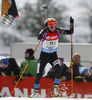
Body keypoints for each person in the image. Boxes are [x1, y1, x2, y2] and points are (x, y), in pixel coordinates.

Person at [30, 17, 74, 98]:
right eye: (51, 27)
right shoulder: (44, 30)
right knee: (39, 74)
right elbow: (38, 37)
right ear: (48, 26)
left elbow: (70, 32)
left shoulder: (58, 30)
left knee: (58, 69)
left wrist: (71, 24)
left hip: (53, 55)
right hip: (44, 56)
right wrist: (43, 33)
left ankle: (55, 91)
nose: (53, 28)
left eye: (54, 27)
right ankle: (35, 92)